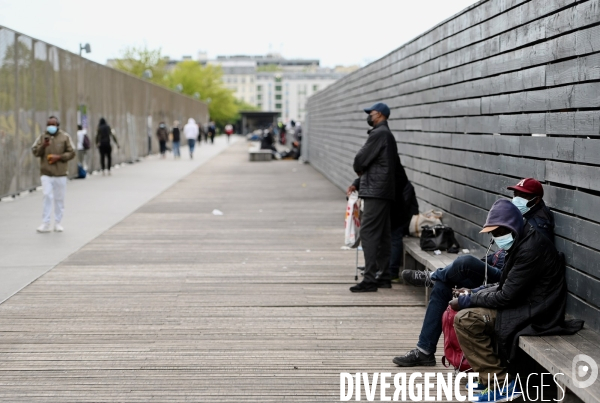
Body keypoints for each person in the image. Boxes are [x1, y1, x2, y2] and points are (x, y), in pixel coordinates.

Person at [393, 178, 555, 368]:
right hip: (506, 277)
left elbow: (510, 285)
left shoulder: (538, 229)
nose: (516, 199)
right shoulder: (524, 218)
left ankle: (432, 276)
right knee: (444, 285)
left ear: (535, 200)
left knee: (466, 263)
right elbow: (504, 256)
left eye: (522, 196)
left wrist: (470, 296)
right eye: (515, 194)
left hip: (514, 285)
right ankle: (424, 351)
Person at [450, 199, 582, 401]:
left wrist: (469, 301)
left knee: (467, 319)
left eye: (499, 232)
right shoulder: (522, 241)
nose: (496, 237)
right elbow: (508, 285)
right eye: (493, 233)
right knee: (469, 312)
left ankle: (501, 383)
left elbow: (505, 296)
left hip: (536, 312)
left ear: (512, 226)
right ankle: (489, 377)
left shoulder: (530, 248)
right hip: (524, 303)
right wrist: (473, 292)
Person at [346, 102, 409, 292]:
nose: (369, 116)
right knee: (382, 235)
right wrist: (358, 183)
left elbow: (360, 159)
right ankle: (384, 276)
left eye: (371, 113)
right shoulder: (388, 136)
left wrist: (359, 171)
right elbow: (388, 165)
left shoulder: (379, 134)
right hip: (383, 191)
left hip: (376, 191)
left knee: (369, 233)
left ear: (380, 115)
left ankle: (370, 278)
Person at [31, 116, 75, 233]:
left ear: (57, 125)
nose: (51, 127)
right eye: (49, 124)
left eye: (53, 124)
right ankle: (45, 223)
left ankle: (58, 222)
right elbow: (35, 151)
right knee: (47, 195)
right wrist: (43, 146)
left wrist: (59, 157)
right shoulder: (42, 137)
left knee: (59, 198)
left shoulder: (65, 137)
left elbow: (72, 152)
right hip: (46, 173)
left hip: (60, 173)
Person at [389, 181, 419, 282]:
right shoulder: (392, 183)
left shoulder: (405, 185)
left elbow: (402, 207)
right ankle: (378, 268)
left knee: (394, 237)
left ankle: (392, 272)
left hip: (404, 220)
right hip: (398, 218)